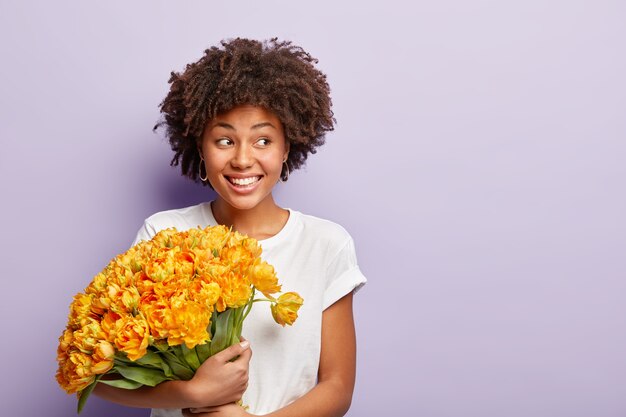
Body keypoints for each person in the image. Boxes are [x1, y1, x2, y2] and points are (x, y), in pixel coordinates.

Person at [94, 38, 367, 417]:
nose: (242, 159)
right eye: (224, 140)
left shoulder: (326, 244)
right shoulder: (164, 234)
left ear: (286, 148)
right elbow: (101, 377)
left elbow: (337, 388)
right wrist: (194, 394)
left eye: (263, 140)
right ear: (201, 148)